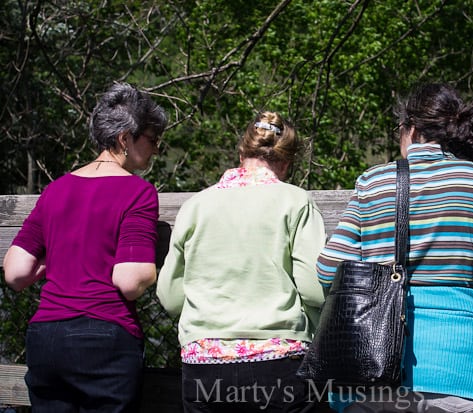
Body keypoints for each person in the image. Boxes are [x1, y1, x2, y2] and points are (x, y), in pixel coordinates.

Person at [316, 83, 473, 413]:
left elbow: (327, 269)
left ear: (412, 129)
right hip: (460, 378)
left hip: (370, 377)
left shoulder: (372, 181)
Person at [3, 82, 167, 412]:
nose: (155, 150)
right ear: (125, 139)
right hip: (104, 339)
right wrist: (154, 270)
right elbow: (130, 282)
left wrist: (51, 261)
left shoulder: (55, 190)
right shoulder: (137, 193)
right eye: (152, 139)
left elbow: (16, 273)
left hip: (46, 337)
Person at [156, 111, 326, 413]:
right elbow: (314, 289)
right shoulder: (296, 201)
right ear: (286, 163)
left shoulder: (195, 206)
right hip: (279, 360)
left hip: (204, 362)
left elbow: (170, 298)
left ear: (241, 152)